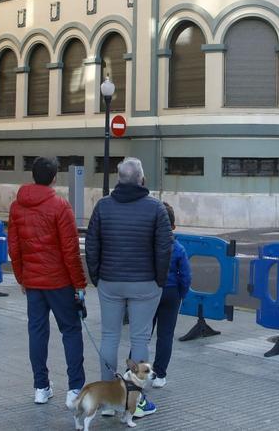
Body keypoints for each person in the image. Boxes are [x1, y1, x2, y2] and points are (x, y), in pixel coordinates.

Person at [85, 157, 172, 419]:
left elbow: (91, 245)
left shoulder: (103, 206)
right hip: (145, 283)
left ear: (119, 179)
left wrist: (97, 275)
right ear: (142, 179)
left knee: (109, 336)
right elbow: (164, 248)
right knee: (140, 338)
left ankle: (107, 399)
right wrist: (159, 279)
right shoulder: (156, 209)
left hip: (110, 281)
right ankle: (135, 399)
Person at [6, 156, 87, 408]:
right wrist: (79, 283)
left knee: (37, 333)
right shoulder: (60, 206)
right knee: (71, 331)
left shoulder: (17, 206)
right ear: (54, 177)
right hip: (60, 281)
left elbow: (14, 247)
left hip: (33, 282)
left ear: (33, 175)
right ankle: (74, 389)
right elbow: (70, 250)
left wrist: (21, 277)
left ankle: (41, 387)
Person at [150, 202, 192, 389]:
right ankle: (160, 375)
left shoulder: (146, 246)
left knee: (142, 334)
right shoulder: (179, 248)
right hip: (171, 292)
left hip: (149, 292)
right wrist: (181, 294)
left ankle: (136, 372)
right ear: (174, 227)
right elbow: (186, 275)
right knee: (165, 335)